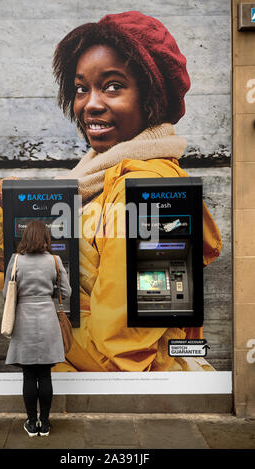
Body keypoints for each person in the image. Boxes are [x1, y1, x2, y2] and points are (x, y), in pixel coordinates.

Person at [51, 11, 222, 373]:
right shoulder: (98, 175)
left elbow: (117, 354)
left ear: (150, 97)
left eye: (112, 86)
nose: (90, 104)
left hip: (136, 404)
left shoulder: (153, 192)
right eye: (82, 88)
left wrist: (36, 322)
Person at [3, 220, 71, 437]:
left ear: (26, 238)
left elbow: (7, 294)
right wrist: (46, 294)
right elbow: (66, 292)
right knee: (45, 375)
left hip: (23, 321)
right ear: (45, 238)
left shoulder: (16, 260)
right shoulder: (54, 260)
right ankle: (46, 423)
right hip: (48, 321)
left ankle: (32, 424)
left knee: (29, 376)